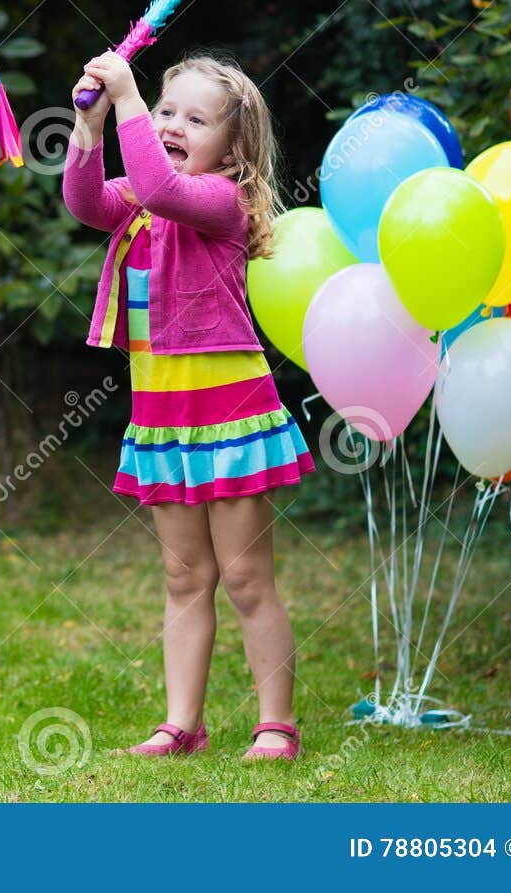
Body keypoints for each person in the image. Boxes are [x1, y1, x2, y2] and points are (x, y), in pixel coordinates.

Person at [63, 51, 314, 761]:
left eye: (194, 118)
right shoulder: (145, 203)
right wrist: (89, 125)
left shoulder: (219, 201)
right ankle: (183, 723)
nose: (172, 123)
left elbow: (157, 181)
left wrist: (130, 98)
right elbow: (86, 202)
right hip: (165, 422)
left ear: (233, 149)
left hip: (231, 418)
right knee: (184, 577)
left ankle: (276, 723)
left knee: (245, 576)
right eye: (166, 110)